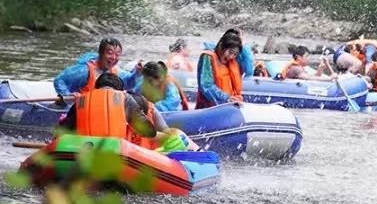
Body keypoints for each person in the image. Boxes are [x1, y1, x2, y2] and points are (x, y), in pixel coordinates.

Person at [62, 73, 193, 152]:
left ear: (96, 88)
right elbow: (148, 131)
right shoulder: (124, 98)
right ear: (120, 90)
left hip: (85, 151)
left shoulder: (81, 101)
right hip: (116, 152)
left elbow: (64, 132)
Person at [53, 38, 137, 98]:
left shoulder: (116, 71)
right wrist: (67, 95)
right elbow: (59, 80)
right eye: (110, 53)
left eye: (117, 54)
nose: (113, 57)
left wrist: (137, 72)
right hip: (80, 109)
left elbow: (129, 83)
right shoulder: (84, 71)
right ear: (100, 53)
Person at [196, 31, 244, 109]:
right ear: (221, 46)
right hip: (209, 109)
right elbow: (206, 85)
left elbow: (248, 67)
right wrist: (226, 98)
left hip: (227, 108)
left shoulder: (232, 62)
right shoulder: (208, 58)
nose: (231, 57)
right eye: (230, 52)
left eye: (235, 54)